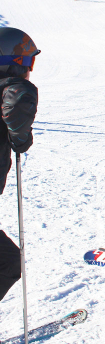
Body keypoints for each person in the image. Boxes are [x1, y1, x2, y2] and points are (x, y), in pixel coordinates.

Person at [0, 28, 39, 302]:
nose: (29, 70)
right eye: (27, 63)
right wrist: (20, 135)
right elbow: (18, 102)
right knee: (8, 262)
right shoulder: (13, 91)